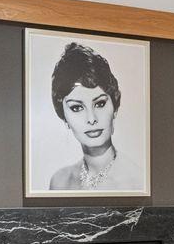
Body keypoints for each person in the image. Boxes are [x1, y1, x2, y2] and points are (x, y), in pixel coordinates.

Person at [46, 42, 138, 190]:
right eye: (77, 107)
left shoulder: (136, 181)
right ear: (64, 117)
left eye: (100, 104)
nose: (91, 119)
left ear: (115, 106)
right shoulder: (59, 182)